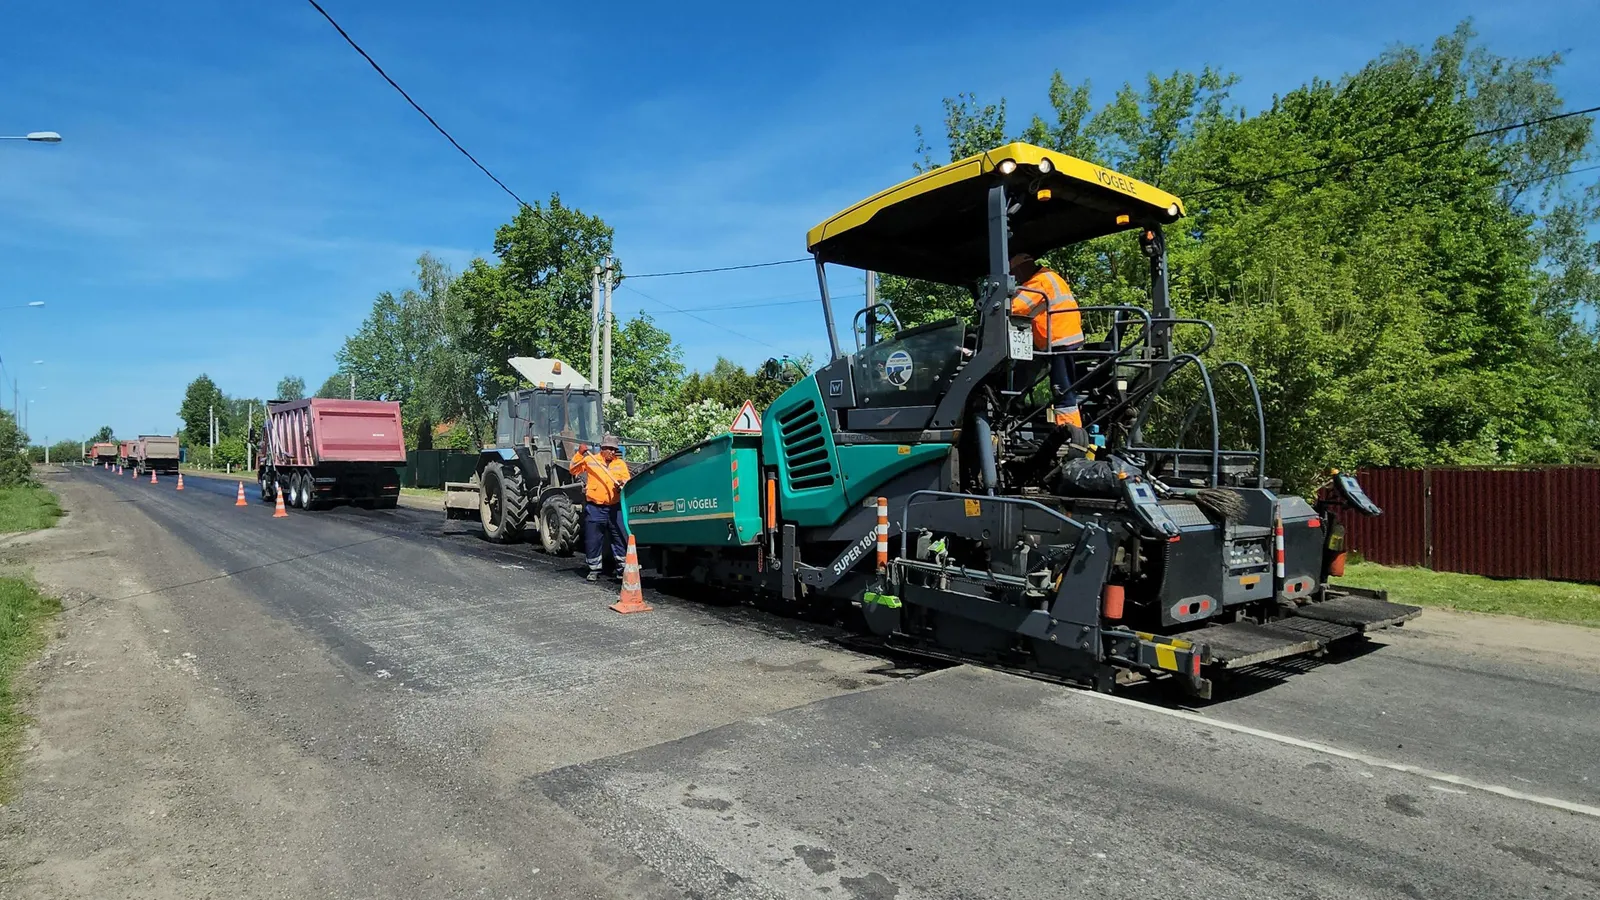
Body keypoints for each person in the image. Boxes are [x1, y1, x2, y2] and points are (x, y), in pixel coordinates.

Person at [1009, 253, 1087, 435]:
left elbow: (1013, 307)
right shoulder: (1050, 276)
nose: (1017, 277)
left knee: (1062, 392)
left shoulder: (1038, 282)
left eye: (1015, 273)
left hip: (1060, 341)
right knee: (1031, 374)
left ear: (1022, 267)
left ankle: (1070, 435)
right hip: (1063, 340)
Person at [571, 435, 631, 582]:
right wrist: (579, 454)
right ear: (602, 449)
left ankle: (622, 569)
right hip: (595, 507)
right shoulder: (591, 460)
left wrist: (622, 485)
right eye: (608, 449)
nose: (611, 451)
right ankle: (594, 569)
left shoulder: (620, 464)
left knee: (619, 536)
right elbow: (573, 469)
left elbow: (627, 480)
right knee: (593, 539)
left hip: (614, 508)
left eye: (613, 449)